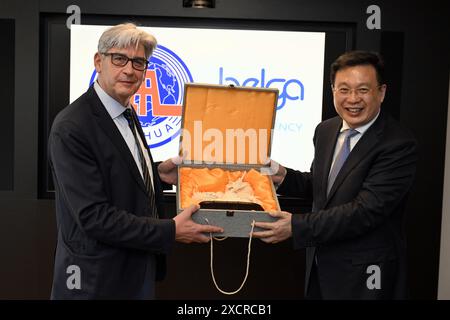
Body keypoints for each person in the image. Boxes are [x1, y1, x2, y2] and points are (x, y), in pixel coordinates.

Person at [48, 23, 222, 299]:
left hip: (134, 269)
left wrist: (158, 174)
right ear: (98, 61)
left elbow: (115, 175)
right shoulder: (72, 126)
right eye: (119, 58)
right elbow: (94, 217)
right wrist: (171, 230)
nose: (129, 70)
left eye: (139, 62)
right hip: (95, 282)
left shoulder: (126, 110)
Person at [253, 51, 417, 299]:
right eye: (344, 89)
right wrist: (282, 176)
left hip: (365, 278)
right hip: (320, 268)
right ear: (333, 90)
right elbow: (325, 188)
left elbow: (365, 211)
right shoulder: (326, 130)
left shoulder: (398, 143)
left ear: (381, 93)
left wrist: (297, 227)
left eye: (363, 90)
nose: (353, 99)